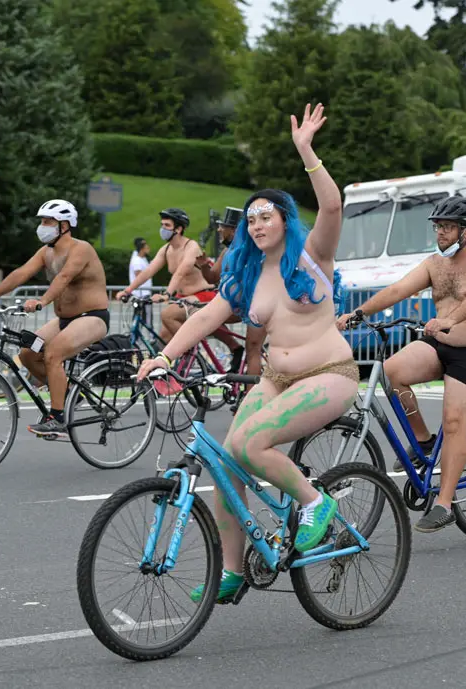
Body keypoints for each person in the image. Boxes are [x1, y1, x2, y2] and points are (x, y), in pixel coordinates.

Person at [135, 103, 358, 602]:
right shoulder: (248, 277)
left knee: (253, 445)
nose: (257, 225)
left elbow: (334, 207)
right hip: (275, 380)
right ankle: (232, 571)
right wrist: (164, 357)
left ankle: (314, 503)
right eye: (250, 218)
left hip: (330, 373)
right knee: (228, 463)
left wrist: (306, 151)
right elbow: (205, 317)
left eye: (266, 216)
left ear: (285, 220)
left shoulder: (313, 256)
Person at [336, 195, 466, 534]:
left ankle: (443, 504)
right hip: (441, 343)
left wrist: (451, 319)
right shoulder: (435, 264)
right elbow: (398, 289)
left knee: (455, 420)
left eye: (447, 228)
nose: (440, 234)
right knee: (391, 373)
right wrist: (358, 314)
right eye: (438, 227)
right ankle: (424, 442)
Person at [0, 200, 110, 438]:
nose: (42, 226)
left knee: (53, 353)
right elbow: (22, 273)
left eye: (48, 222)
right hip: (64, 320)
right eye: (42, 221)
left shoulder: (82, 248)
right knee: (28, 353)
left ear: (65, 225)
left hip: (92, 317)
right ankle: (69, 393)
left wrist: (42, 301)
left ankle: (57, 418)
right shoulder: (46, 252)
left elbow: (65, 276)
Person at [117, 208, 215, 344]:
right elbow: (148, 271)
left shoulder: (191, 247)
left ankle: (191, 350)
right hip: (184, 298)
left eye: (167, 225)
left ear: (179, 229)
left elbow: (181, 272)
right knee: (163, 337)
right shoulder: (166, 249)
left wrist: (166, 294)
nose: (163, 229)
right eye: (162, 225)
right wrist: (127, 290)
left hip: (203, 295)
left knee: (168, 315)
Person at [194, 205, 266, 375]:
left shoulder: (250, 251)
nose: (219, 229)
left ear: (234, 230)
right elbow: (212, 277)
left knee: (253, 350)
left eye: (223, 227)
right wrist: (204, 267)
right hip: (236, 304)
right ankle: (235, 349)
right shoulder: (227, 251)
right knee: (200, 318)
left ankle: (250, 393)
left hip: (253, 306)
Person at [128, 237, 154, 328]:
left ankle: (139, 336)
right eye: (146, 246)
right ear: (142, 248)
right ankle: (148, 337)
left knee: (142, 317)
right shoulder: (137, 260)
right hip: (141, 294)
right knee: (144, 317)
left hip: (144, 293)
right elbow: (139, 276)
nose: (148, 247)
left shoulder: (143, 258)